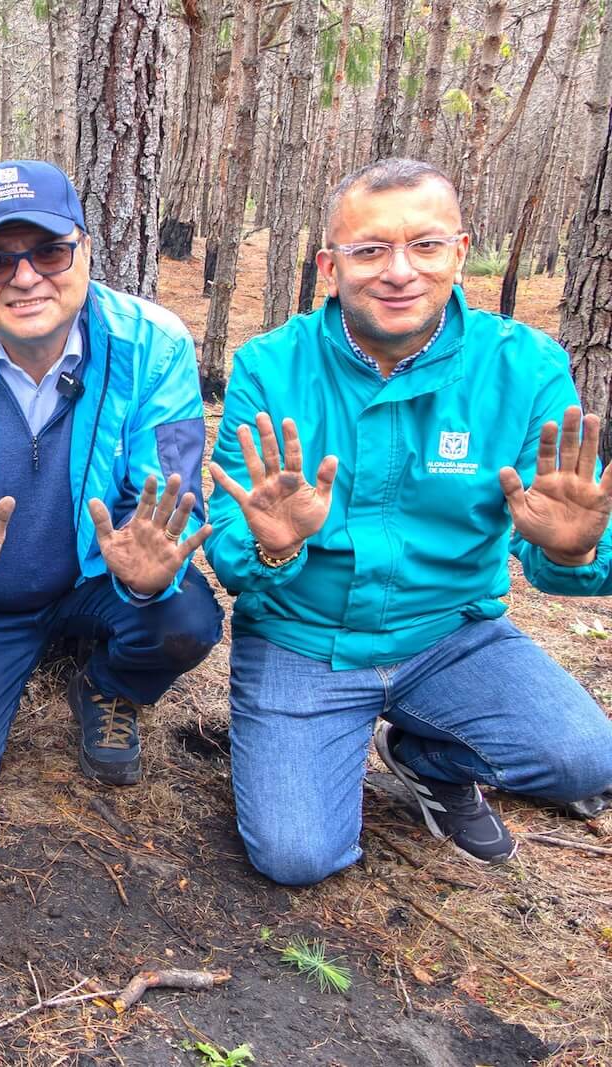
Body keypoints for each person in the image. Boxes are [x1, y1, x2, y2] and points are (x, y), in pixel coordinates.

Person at [206, 158, 612, 885]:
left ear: (459, 252)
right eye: (370, 250)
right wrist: (275, 549)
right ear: (330, 267)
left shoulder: (524, 368)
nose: (400, 271)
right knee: (298, 857)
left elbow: (557, 550)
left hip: (453, 637)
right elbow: (234, 554)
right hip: (305, 640)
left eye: (424, 245)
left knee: (586, 755)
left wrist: (578, 552)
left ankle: (426, 759)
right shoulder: (271, 367)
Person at [0, 160, 222, 804]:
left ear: (86, 251)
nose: (26, 277)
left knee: (185, 619)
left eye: (49, 251)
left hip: (101, 583)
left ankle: (108, 682)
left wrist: (149, 574)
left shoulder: (155, 346)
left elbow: (167, 497)